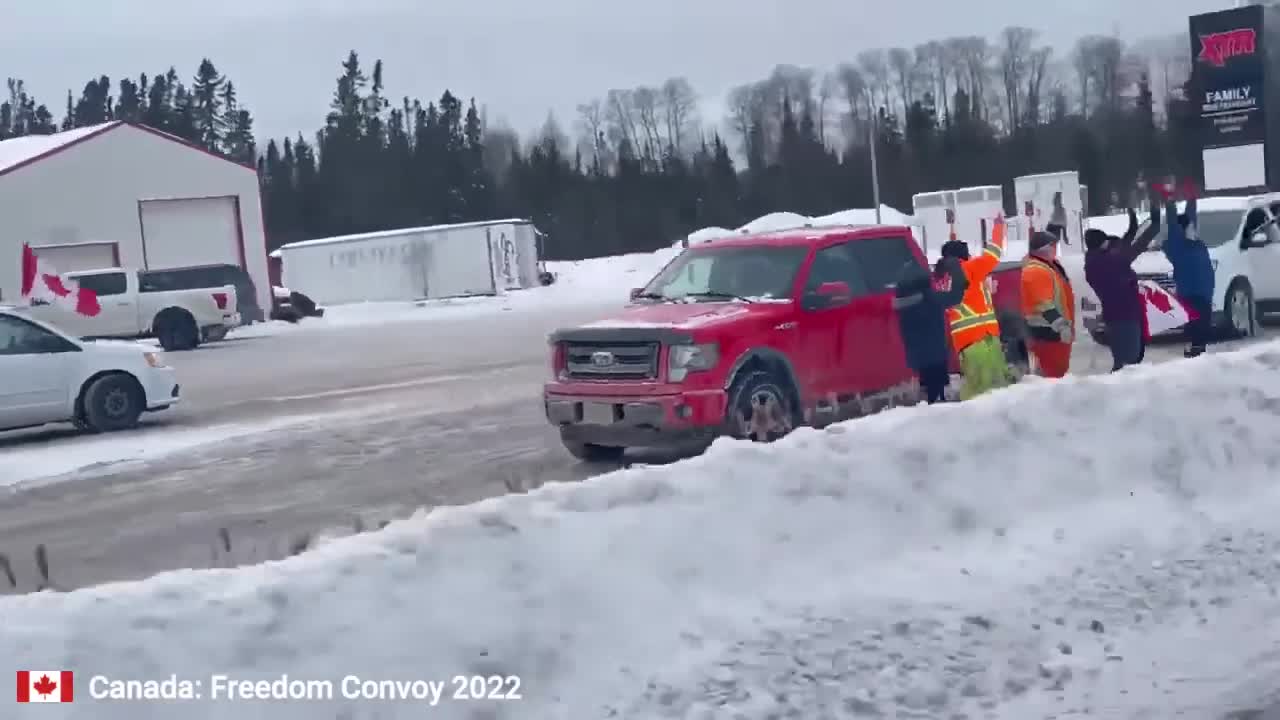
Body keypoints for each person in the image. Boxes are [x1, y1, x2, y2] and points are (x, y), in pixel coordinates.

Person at [1084, 194, 1161, 371]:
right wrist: (1154, 226)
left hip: (1117, 316)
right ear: (1101, 244)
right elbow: (1135, 247)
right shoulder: (1107, 263)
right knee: (1128, 363)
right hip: (1124, 317)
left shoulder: (1096, 260)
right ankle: (1121, 394)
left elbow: (1124, 244)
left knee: (1126, 360)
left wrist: (1133, 222)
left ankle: (1120, 391)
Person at [939, 213, 1010, 400]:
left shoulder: (942, 278)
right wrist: (998, 227)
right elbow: (993, 254)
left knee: (977, 387)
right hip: (982, 338)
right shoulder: (968, 268)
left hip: (964, 342)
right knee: (990, 392)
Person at [893, 257, 969, 403]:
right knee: (938, 395)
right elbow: (955, 297)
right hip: (936, 357)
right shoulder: (928, 297)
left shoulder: (902, 303)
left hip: (918, 357)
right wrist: (956, 271)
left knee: (928, 392)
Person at [1156, 180, 1213, 358]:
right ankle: (1194, 352)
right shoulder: (1177, 246)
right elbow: (1173, 223)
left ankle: (1199, 351)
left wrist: (1191, 197)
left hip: (1204, 294)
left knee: (1203, 329)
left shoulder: (1196, 243)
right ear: (1182, 231)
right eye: (1189, 227)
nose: (1193, 229)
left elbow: (1191, 217)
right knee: (1197, 329)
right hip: (1191, 295)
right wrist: (1169, 199)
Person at [1020, 229, 1076, 377]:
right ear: (1044, 248)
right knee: (1052, 377)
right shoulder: (1035, 270)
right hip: (1048, 333)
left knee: (1057, 373)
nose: (1055, 249)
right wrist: (1061, 327)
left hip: (1054, 333)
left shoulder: (1049, 265)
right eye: (1053, 246)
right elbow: (1043, 304)